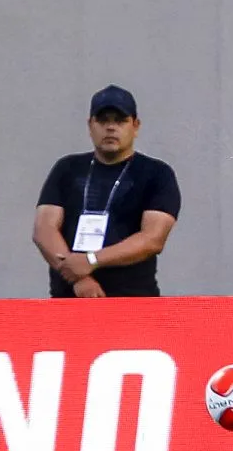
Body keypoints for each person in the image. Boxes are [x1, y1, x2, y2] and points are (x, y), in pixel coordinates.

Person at [33, 85, 181, 298]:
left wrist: (91, 260)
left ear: (135, 126)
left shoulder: (156, 173)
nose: (111, 128)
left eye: (120, 120)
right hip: (69, 298)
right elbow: (43, 229)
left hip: (133, 300)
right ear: (90, 125)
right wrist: (79, 277)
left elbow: (152, 238)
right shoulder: (67, 168)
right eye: (103, 120)